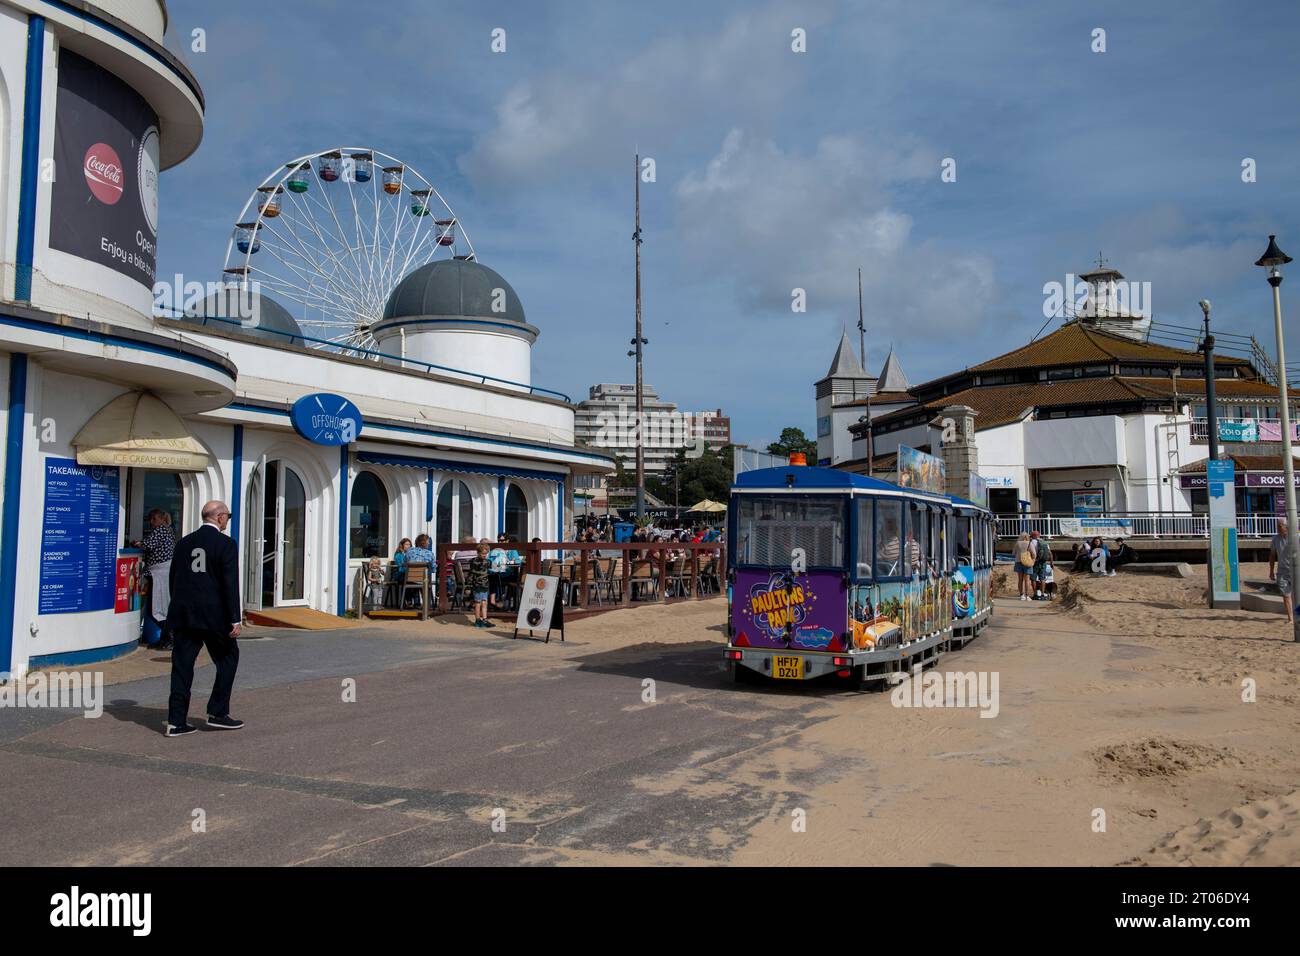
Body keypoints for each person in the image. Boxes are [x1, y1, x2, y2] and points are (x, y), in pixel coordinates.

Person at [165, 500, 243, 737]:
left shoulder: (183, 543)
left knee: (182, 667)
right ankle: (218, 713)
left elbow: (173, 579)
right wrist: (235, 618)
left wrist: (177, 608)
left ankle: (176, 721)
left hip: (185, 615)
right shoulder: (226, 544)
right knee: (228, 657)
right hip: (214, 617)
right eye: (227, 516)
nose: (228, 520)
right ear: (219, 517)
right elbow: (229, 584)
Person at [138, 508, 176, 650]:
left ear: (160, 519)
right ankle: (165, 639)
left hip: (160, 573)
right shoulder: (168, 530)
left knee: (158, 607)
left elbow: (147, 544)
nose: (151, 523)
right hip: (160, 572)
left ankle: (170, 639)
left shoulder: (161, 529)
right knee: (158, 607)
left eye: (153, 519)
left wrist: (137, 544)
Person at [1270, 519, 1294, 624]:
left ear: (1286, 526)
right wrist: (1271, 570)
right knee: (1286, 594)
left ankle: (1297, 615)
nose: (1278, 527)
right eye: (1277, 525)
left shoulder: (1295, 537)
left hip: (1295, 570)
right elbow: (1272, 555)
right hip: (1282, 570)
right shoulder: (1275, 539)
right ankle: (1290, 618)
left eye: (1280, 525)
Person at [468, 539, 492, 628]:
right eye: (483, 553)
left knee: (483, 602)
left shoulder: (473, 561)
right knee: (479, 602)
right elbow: (489, 567)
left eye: (486, 554)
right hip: (479, 584)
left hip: (481, 584)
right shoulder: (486, 562)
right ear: (478, 553)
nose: (484, 555)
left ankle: (482, 620)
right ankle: (479, 620)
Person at [1014, 532, 1034, 600]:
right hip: (1027, 562)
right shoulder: (1029, 543)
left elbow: (1013, 553)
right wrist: (1033, 560)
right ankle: (1027, 595)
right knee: (1027, 580)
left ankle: (1021, 595)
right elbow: (1034, 553)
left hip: (1018, 562)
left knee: (1020, 579)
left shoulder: (1017, 543)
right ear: (1027, 537)